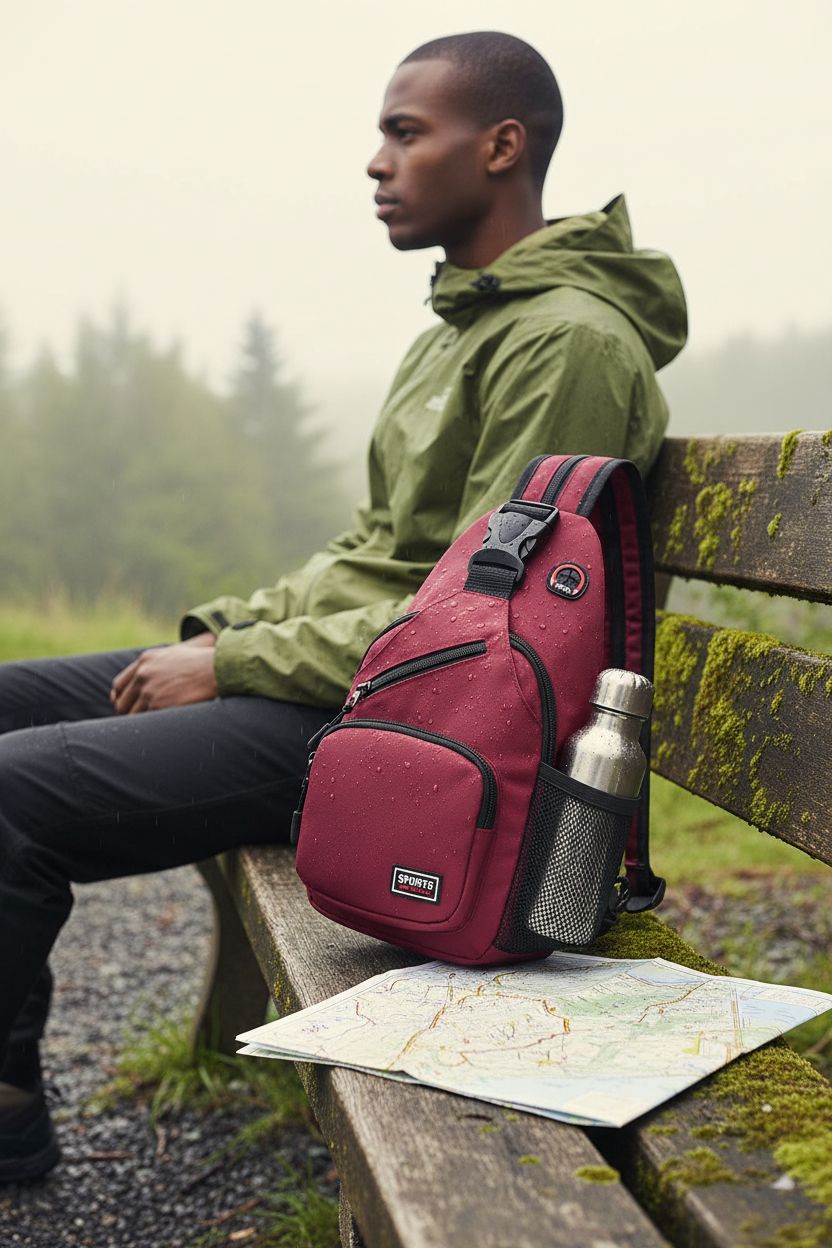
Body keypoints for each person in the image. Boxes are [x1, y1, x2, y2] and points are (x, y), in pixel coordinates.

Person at [0, 30, 686, 1182]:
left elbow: (486, 626)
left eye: (405, 133)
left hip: (404, 732)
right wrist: (237, 636)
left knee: (9, 793)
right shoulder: (464, 328)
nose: (377, 161)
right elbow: (375, 552)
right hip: (351, 684)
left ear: (502, 146)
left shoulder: (564, 342)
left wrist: (240, 666)